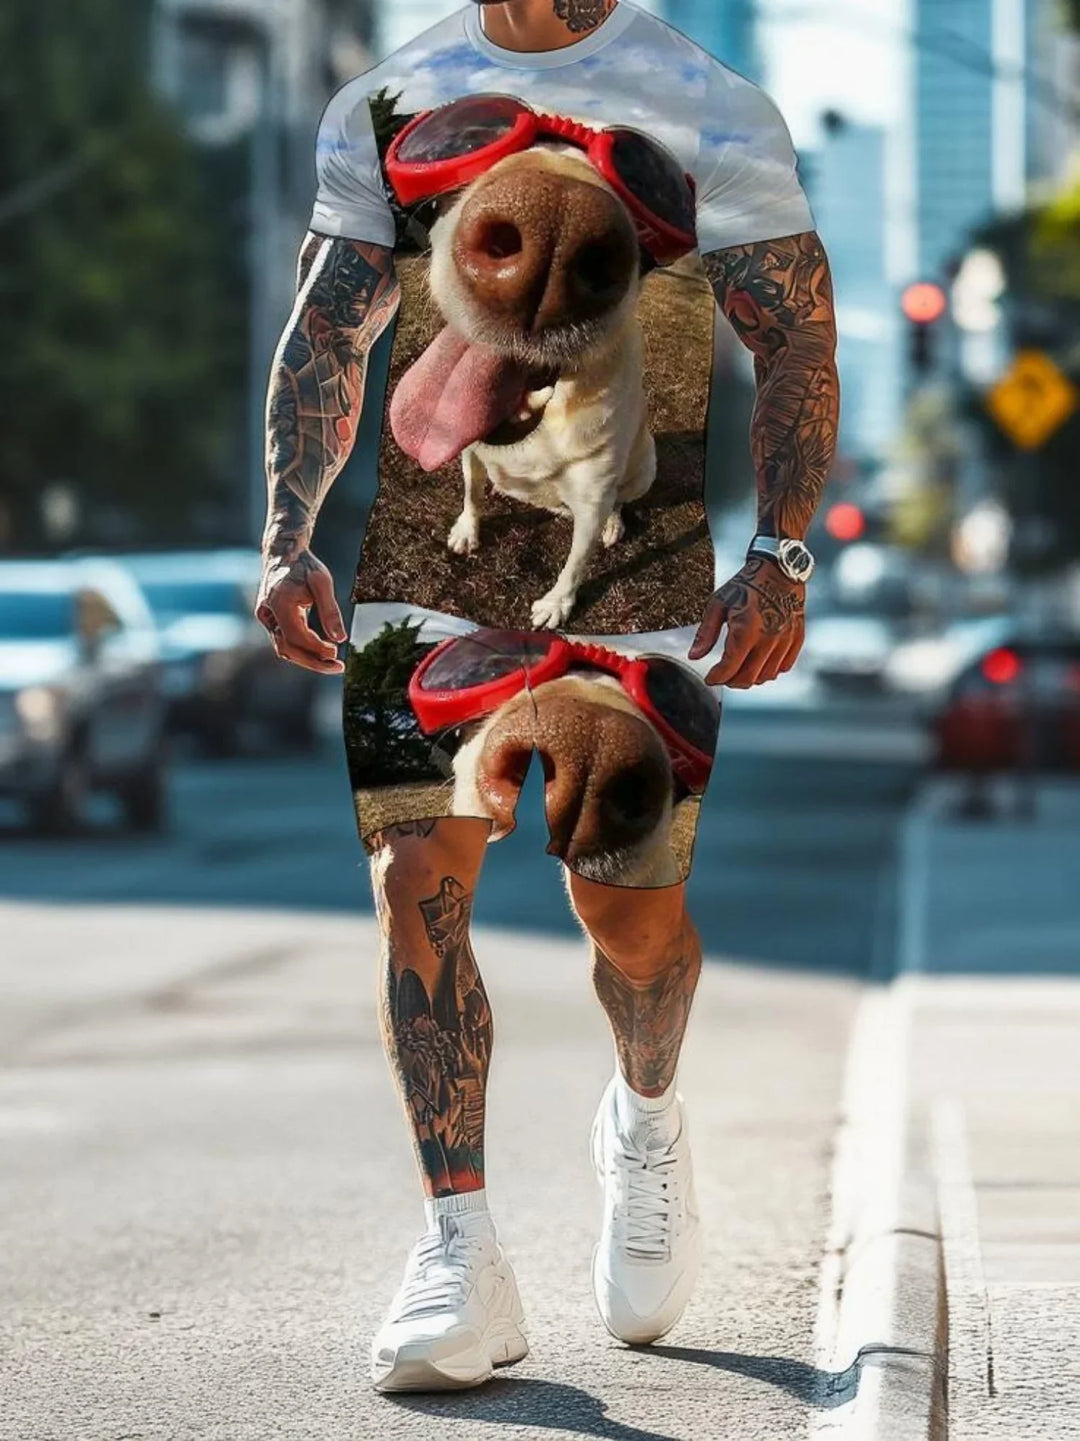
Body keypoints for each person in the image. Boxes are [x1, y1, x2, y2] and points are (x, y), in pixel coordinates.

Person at [256, 0, 839, 1394]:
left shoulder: (707, 105)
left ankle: (644, 1121)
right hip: (426, 561)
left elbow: (798, 340)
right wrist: (285, 537)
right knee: (416, 883)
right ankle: (460, 1248)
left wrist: (781, 552)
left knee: (629, 923)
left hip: (630, 572)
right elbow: (329, 334)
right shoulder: (387, 105)